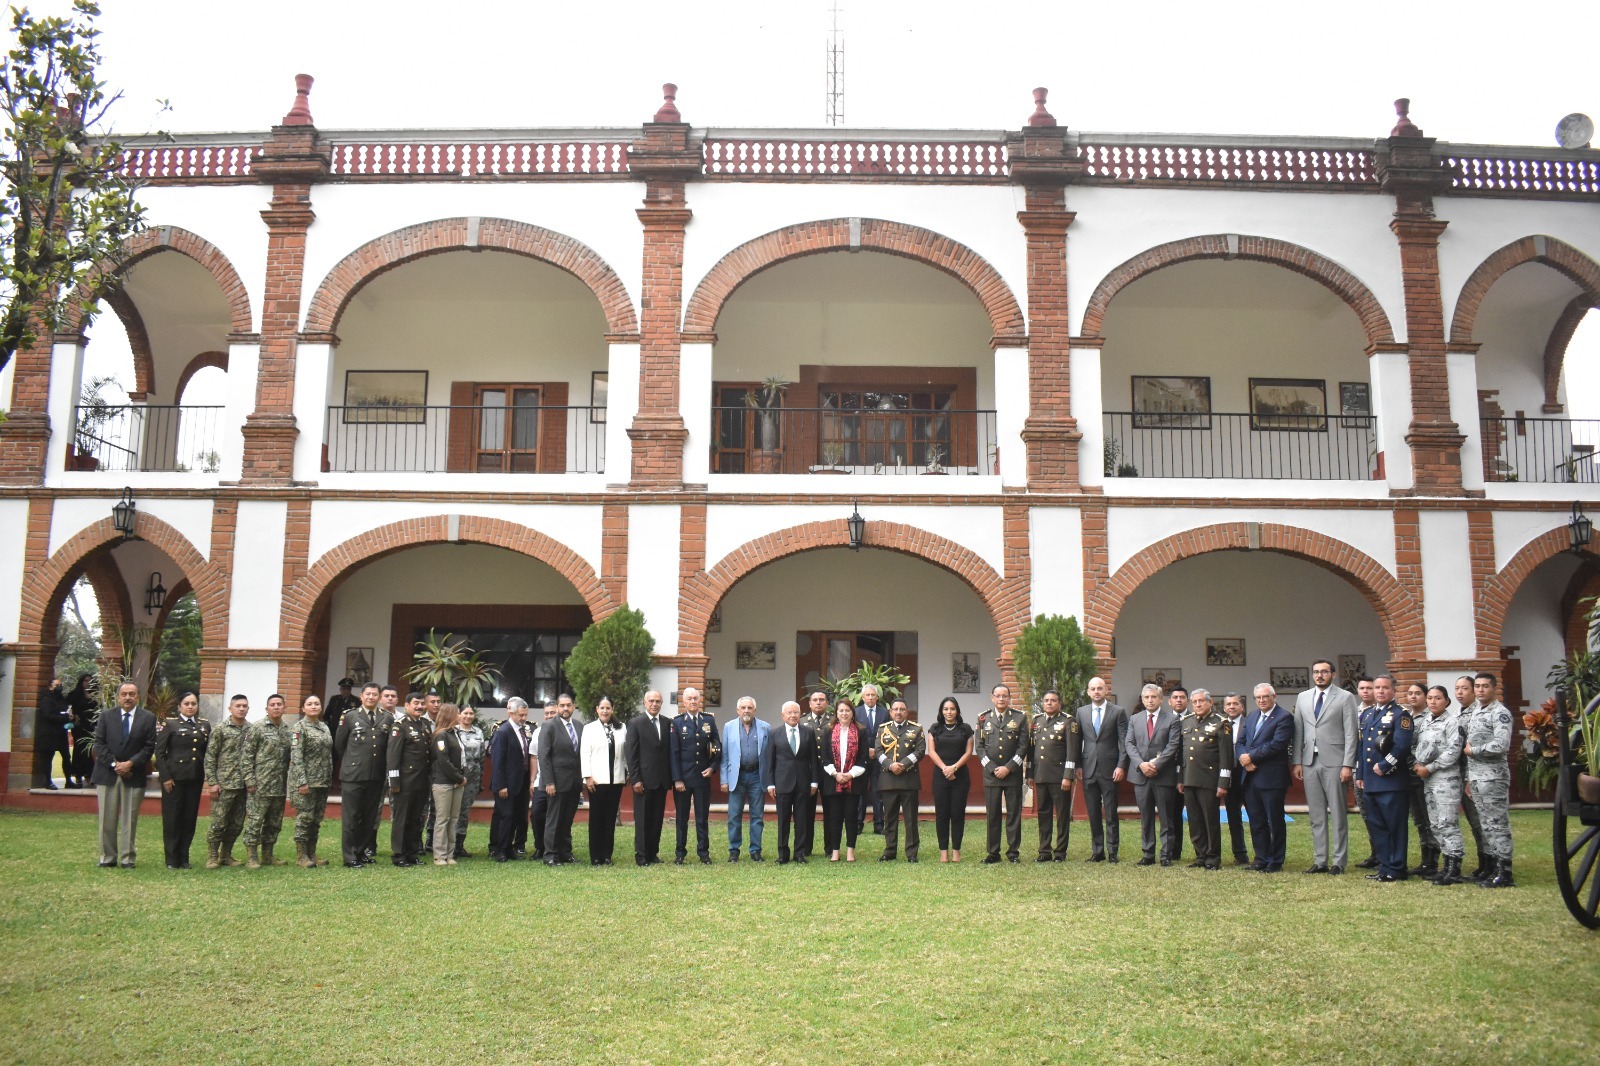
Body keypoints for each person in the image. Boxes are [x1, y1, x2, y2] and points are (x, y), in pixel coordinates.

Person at [1292, 659, 1359, 875]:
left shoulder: (1345, 697)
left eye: (1324, 672)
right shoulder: (1303, 697)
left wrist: (1348, 764)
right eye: (1316, 672)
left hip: (1336, 761)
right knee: (1316, 814)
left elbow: (1351, 733)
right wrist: (1297, 761)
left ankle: (1339, 861)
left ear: (1333, 674)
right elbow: (1298, 731)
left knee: (1338, 813)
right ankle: (1320, 860)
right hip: (1310, 761)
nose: (1320, 676)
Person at [91, 681, 157, 868]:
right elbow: (99, 743)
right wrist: (115, 764)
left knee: (130, 818)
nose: (128, 697)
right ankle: (108, 858)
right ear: (118, 697)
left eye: (132, 694)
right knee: (107, 818)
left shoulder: (148, 718)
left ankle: (128, 858)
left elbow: (149, 746)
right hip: (107, 774)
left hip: (133, 775)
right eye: (124, 694)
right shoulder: (106, 716)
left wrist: (130, 763)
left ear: (138, 697)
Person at [1358, 674, 1414, 882]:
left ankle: (1397, 868)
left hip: (1391, 780)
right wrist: (1361, 774)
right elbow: (1363, 746)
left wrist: (1385, 765)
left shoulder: (1401, 715)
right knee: (1377, 826)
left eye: (1385, 688)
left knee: (1394, 826)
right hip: (1371, 781)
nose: (1380, 691)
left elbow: (1402, 745)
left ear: (1394, 691)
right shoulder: (1368, 714)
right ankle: (1384, 866)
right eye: (1377, 688)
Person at [1464, 672, 1515, 888]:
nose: (1480, 690)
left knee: (1497, 824)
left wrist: (1473, 751)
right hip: (1476, 776)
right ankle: (1493, 868)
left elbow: (1501, 744)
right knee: (1485, 824)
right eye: (1477, 686)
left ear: (1494, 688)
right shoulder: (1475, 711)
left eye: (1485, 686)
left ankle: (1505, 872)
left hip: (1493, 777)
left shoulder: (1500, 713)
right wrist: (1468, 778)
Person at [1412, 684, 1466, 886]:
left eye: (1438, 698)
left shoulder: (1452, 722)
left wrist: (1431, 767)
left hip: (1446, 779)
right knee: (1435, 823)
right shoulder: (1425, 721)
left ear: (1447, 701)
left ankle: (1455, 868)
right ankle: (1445, 866)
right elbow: (1419, 746)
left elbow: (1453, 751)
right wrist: (1418, 763)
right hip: (1428, 779)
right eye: (1431, 698)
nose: (1433, 702)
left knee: (1448, 822)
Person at [1125, 683, 1182, 866]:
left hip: (1163, 775)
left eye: (1153, 697)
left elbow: (1173, 746)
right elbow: (1129, 744)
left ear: (1161, 699)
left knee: (1167, 818)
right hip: (1141, 776)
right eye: (1146, 697)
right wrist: (1141, 764)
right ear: (1142, 699)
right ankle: (1148, 854)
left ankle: (1166, 855)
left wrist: (1155, 764)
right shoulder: (1134, 719)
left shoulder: (1172, 719)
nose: (1150, 700)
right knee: (1146, 817)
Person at [333, 681, 388, 867]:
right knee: (351, 816)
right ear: (361, 697)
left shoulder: (387, 718)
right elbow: (340, 745)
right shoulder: (349, 716)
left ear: (379, 697)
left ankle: (361, 851)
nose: (371, 697)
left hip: (376, 774)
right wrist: (353, 762)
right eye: (368, 694)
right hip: (353, 774)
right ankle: (349, 857)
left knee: (369, 816)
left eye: (375, 694)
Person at [1239, 682, 1293, 872]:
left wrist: (1251, 757)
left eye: (1265, 697)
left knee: (1274, 820)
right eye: (1258, 698)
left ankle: (1275, 860)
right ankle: (1261, 858)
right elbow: (1240, 742)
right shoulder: (1252, 716)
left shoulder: (1284, 717)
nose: (1261, 700)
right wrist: (1244, 759)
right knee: (1256, 820)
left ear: (1274, 697)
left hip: (1271, 778)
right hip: (1250, 777)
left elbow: (1277, 744)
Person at [1177, 688, 1232, 870]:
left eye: (1201, 701)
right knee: (1194, 820)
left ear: (1210, 702)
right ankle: (1200, 856)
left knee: (1210, 820)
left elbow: (1226, 757)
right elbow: (1182, 755)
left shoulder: (1221, 723)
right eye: (1195, 702)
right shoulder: (1186, 722)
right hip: (1189, 779)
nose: (1198, 704)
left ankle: (1213, 857)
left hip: (1209, 781)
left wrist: (1223, 783)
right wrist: (1180, 778)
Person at [154, 690, 209, 868]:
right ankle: (171, 859)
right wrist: (166, 777)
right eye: (187, 703)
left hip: (194, 778)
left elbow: (206, 752)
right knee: (172, 819)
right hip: (174, 779)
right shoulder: (170, 724)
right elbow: (160, 753)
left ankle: (184, 858)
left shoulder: (204, 725)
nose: (190, 707)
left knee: (189, 819)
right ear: (179, 706)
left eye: (193, 703)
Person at [1076, 677, 1128, 863]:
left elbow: (1124, 741)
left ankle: (1113, 852)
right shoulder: (1081, 712)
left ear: (1106, 690)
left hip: (1110, 769)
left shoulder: (1118, 712)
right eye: (1093, 688)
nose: (1096, 691)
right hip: (1088, 768)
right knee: (1093, 812)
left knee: (1111, 812)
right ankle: (1097, 851)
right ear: (1088, 692)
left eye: (1099, 688)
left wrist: (1121, 766)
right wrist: (1078, 766)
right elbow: (1077, 741)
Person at [978, 683, 1029, 864]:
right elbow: (980, 748)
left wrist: (1008, 767)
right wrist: (992, 768)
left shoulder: (1020, 718)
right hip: (991, 776)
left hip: (1012, 774)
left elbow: (1023, 747)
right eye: (997, 696)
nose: (1001, 699)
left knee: (1014, 814)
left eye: (1004, 696)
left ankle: (1013, 852)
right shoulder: (983, 718)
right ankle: (993, 853)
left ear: (1009, 698)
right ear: (992, 697)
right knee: (993, 814)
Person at [762, 700, 819, 864]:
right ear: (782, 715)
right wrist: (771, 784)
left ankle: (799, 853)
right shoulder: (774, 734)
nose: (793, 715)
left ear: (800, 714)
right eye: (789, 712)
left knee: (801, 820)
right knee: (783, 821)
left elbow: (814, 760)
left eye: (796, 712)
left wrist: (814, 782)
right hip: (782, 783)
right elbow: (770, 761)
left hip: (803, 783)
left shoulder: (808, 732)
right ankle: (783, 854)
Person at [670, 686, 720, 864]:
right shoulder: (676, 722)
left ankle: (703, 852)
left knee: (702, 818)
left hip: (702, 777)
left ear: (700, 700)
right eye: (689, 699)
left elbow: (717, 747)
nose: (692, 701)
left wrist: (713, 767)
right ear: (684, 702)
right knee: (682, 818)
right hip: (683, 779)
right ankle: (680, 853)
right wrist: (677, 779)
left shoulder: (709, 721)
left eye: (695, 698)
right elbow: (674, 753)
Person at [242, 693, 293, 869]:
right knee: (255, 821)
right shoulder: (257, 728)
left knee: (274, 822)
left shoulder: (288, 730)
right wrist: (249, 779)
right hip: (260, 784)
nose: (276, 707)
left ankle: (268, 855)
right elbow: (247, 755)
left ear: (284, 708)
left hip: (279, 785)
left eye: (279, 704)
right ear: (267, 708)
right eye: (272, 704)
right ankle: (251, 856)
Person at [1029, 689, 1079, 862]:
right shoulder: (1037, 721)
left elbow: (1072, 752)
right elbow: (1032, 750)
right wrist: (1030, 774)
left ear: (1059, 703)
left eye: (1053, 700)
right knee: (1043, 813)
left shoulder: (1068, 721)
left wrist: (1068, 776)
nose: (1049, 703)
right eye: (1046, 700)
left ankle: (1060, 852)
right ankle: (1044, 851)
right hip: (1041, 776)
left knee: (1062, 814)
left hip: (1060, 778)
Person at [624, 690, 673, 865]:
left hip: (661, 780)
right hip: (643, 780)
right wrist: (635, 778)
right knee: (643, 819)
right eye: (651, 701)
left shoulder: (667, 723)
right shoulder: (635, 723)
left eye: (658, 701)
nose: (654, 704)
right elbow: (631, 754)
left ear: (661, 704)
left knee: (656, 819)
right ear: (644, 703)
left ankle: (653, 853)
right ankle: (642, 855)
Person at [204, 694, 252, 869]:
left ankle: (226, 854)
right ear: (230, 708)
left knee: (237, 823)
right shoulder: (221, 729)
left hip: (243, 785)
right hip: (224, 784)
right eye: (238, 706)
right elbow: (210, 756)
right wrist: (212, 782)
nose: (241, 709)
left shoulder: (251, 729)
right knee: (218, 822)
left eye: (244, 706)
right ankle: (212, 856)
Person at [720, 696, 770, 862]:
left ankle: (755, 850)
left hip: (757, 776)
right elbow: (725, 755)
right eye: (743, 707)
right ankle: (734, 850)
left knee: (757, 816)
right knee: (734, 815)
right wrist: (724, 779)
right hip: (737, 776)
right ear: (738, 710)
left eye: (749, 708)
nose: (746, 710)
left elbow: (769, 756)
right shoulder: (729, 727)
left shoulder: (765, 727)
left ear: (755, 710)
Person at [876, 697, 925, 862]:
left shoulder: (916, 729)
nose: (898, 712)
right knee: (889, 819)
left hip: (909, 780)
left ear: (907, 712)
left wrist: (902, 765)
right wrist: (891, 765)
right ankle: (890, 851)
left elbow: (920, 751)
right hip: (888, 780)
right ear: (891, 712)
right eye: (895, 709)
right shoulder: (883, 729)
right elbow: (878, 751)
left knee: (910, 820)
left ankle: (911, 853)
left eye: (902, 709)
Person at [387, 692, 434, 867]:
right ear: (406, 705)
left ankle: (412, 853)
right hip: (405, 781)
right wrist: (394, 781)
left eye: (422, 704)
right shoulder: (400, 726)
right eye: (416, 703)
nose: (419, 707)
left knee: (416, 819)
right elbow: (393, 757)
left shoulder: (425, 725)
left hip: (421, 780)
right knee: (402, 819)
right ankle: (399, 855)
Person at [538, 692, 584, 865]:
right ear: (557, 707)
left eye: (569, 705)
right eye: (562, 705)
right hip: (555, 783)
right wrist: (549, 782)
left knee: (567, 820)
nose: (566, 708)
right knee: (554, 820)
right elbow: (544, 756)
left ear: (573, 706)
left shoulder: (579, 726)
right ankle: (550, 854)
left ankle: (566, 853)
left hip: (574, 782)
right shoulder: (549, 726)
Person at [581, 696, 628, 865]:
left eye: (608, 708)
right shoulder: (589, 728)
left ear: (612, 709)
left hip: (616, 780)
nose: (605, 711)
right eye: (602, 708)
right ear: (597, 709)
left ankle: (607, 855)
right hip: (596, 781)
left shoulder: (621, 727)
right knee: (596, 819)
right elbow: (584, 753)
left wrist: (627, 772)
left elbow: (625, 753)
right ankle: (595, 856)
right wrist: (587, 776)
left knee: (609, 819)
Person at [288, 694, 334, 867]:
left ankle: (312, 853)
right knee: (305, 818)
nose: (314, 706)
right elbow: (296, 756)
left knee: (316, 820)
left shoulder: (324, 727)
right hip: (306, 781)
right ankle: (301, 856)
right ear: (303, 708)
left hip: (322, 780)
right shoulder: (298, 728)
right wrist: (301, 781)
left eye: (317, 703)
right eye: (310, 704)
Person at [821, 700, 869, 861]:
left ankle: (850, 850)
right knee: (834, 817)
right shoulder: (828, 731)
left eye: (847, 710)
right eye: (841, 710)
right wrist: (836, 774)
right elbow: (825, 758)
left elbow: (863, 758)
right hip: (833, 780)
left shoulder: (861, 732)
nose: (844, 713)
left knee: (851, 816)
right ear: (836, 713)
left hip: (853, 781)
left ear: (852, 713)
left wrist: (849, 775)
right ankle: (835, 851)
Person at [926, 696, 973, 863]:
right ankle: (943, 851)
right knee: (942, 814)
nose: (949, 712)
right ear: (941, 711)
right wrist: (945, 769)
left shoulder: (965, 729)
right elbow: (931, 751)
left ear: (957, 711)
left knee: (958, 814)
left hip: (960, 776)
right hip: (940, 776)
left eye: (952, 709)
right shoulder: (935, 728)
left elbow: (968, 752)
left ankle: (956, 851)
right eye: (946, 709)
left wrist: (954, 768)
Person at [1401, 682, 1440, 878]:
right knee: (1418, 819)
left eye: (1418, 693)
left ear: (1426, 696)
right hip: (1408, 773)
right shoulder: (1405, 717)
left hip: (1424, 773)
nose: (1413, 697)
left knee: (1429, 819)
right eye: (1410, 693)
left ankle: (1433, 861)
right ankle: (1425, 860)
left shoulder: (1430, 718)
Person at [1454, 674, 1491, 881]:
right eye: (1457, 689)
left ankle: (1490, 863)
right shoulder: (1459, 714)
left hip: (1475, 776)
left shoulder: (1478, 714)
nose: (1460, 692)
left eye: (1465, 688)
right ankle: (1483, 863)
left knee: (1481, 822)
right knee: (1473, 822)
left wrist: (1468, 779)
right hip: (1460, 775)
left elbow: (1471, 752)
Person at [488, 698, 532, 862]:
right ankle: (500, 849)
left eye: (525, 715)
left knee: (515, 817)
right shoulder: (503, 731)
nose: (524, 718)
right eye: (521, 715)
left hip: (519, 783)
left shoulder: (521, 731)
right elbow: (497, 761)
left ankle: (509, 848)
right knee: (505, 816)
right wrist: (501, 785)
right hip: (505, 784)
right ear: (511, 713)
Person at [797, 688, 834, 860]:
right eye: (815, 700)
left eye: (822, 699)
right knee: (806, 811)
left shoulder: (834, 721)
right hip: (808, 773)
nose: (818, 702)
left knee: (831, 811)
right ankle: (806, 847)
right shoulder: (802, 721)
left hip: (829, 773)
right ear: (809, 703)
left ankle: (830, 847)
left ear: (827, 703)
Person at [429, 703, 466, 866]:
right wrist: (459, 777)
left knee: (453, 819)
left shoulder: (454, 733)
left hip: (456, 782)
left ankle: (449, 854)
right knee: (442, 819)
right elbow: (443, 761)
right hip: (444, 782)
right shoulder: (441, 735)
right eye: (457, 713)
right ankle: (439, 855)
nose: (459, 716)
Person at [1220, 694, 1252, 866]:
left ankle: (1261, 853)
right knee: (1233, 816)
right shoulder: (1220, 725)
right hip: (1228, 774)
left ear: (1242, 707)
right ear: (1224, 708)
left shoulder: (1250, 723)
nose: (1232, 707)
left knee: (1254, 814)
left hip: (1247, 773)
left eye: (1235, 704)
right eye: (1228, 704)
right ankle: (1240, 854)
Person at [1352, 677, 1380, 869]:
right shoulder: (1354, 711)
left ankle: (1384, 852)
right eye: (1362, 688)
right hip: (1357, 767)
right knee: (1365, 813)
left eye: (1369, 688)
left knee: (1379, 813)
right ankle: (1375, 852)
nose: (1366, 691)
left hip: (1378, 769)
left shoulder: (1383, 712)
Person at [854, 684, 889, 835]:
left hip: (879, 757)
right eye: (867, 695)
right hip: (861, 757)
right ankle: (858, 824)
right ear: (862, 698)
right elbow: (853, 735)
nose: (870, 697)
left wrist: (876, 749)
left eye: (872, 695)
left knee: (877, 791)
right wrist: (866, 750)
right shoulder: (856, 712)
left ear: (877, 697)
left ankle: (879, 825)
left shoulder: (884, 713)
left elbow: (887, 734)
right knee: (860, 792)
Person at [453, 706, 486, 858]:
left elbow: (482, 757)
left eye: (471, 713)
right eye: (465, 713)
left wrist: (480, 779)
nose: (468, 716)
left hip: (473, 777)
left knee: (464, 811)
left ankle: (459, 845)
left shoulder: (478, 732)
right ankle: (448, 844)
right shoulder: (452, 730)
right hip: (455, 777)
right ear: (458, 715)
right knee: (451, 811)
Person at [33, 678, 74, 789]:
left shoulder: (61, 699)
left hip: (61, 733)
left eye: (60, 684)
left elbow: (65, 710)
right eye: (56, 685)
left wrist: (69, 717)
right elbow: (48, 715)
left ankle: (69, 780)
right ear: (50, 686)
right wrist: (65, 717)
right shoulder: (46, 699)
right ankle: (48, 781)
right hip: (49, 734)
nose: (59, 687)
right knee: (48, 758)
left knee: (66, 756)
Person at [528, 702, 557, 859]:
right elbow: (534, 757)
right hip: (541, 781)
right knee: (537, 814)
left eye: (552, 712)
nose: (549, 716)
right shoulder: (538, 731)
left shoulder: (563, 731)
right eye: (546, 713)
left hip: (559, 782)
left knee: (556, 817)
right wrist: (532, 780)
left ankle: (555, 848)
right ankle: (540, 847)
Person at [67, 672, 99, 789]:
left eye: (90, 681)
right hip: (80, 726)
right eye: (85, 680)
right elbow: (68, 708)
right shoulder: (74, 694)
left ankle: (90, 774)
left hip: (92, 726)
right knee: (80, 749)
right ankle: (78, 774)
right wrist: (73, 716)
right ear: (81, 682)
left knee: (91, 750)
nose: (87, 683)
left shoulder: (95, 694)